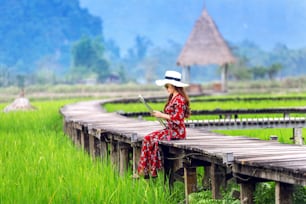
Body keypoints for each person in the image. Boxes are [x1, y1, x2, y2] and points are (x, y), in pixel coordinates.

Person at [134, 70, 191, 179]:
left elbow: (178, 119)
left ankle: (149, 170)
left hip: (177, 132)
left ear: (173, 85)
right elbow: (171, 115)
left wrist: (162, 115)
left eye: (167, 86)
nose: (166, 88)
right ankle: (146, 170)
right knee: (148, 138)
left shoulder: (179, 99)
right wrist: (159, 114)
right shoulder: (173, 97)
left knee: (149, 138)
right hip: (170, 129)